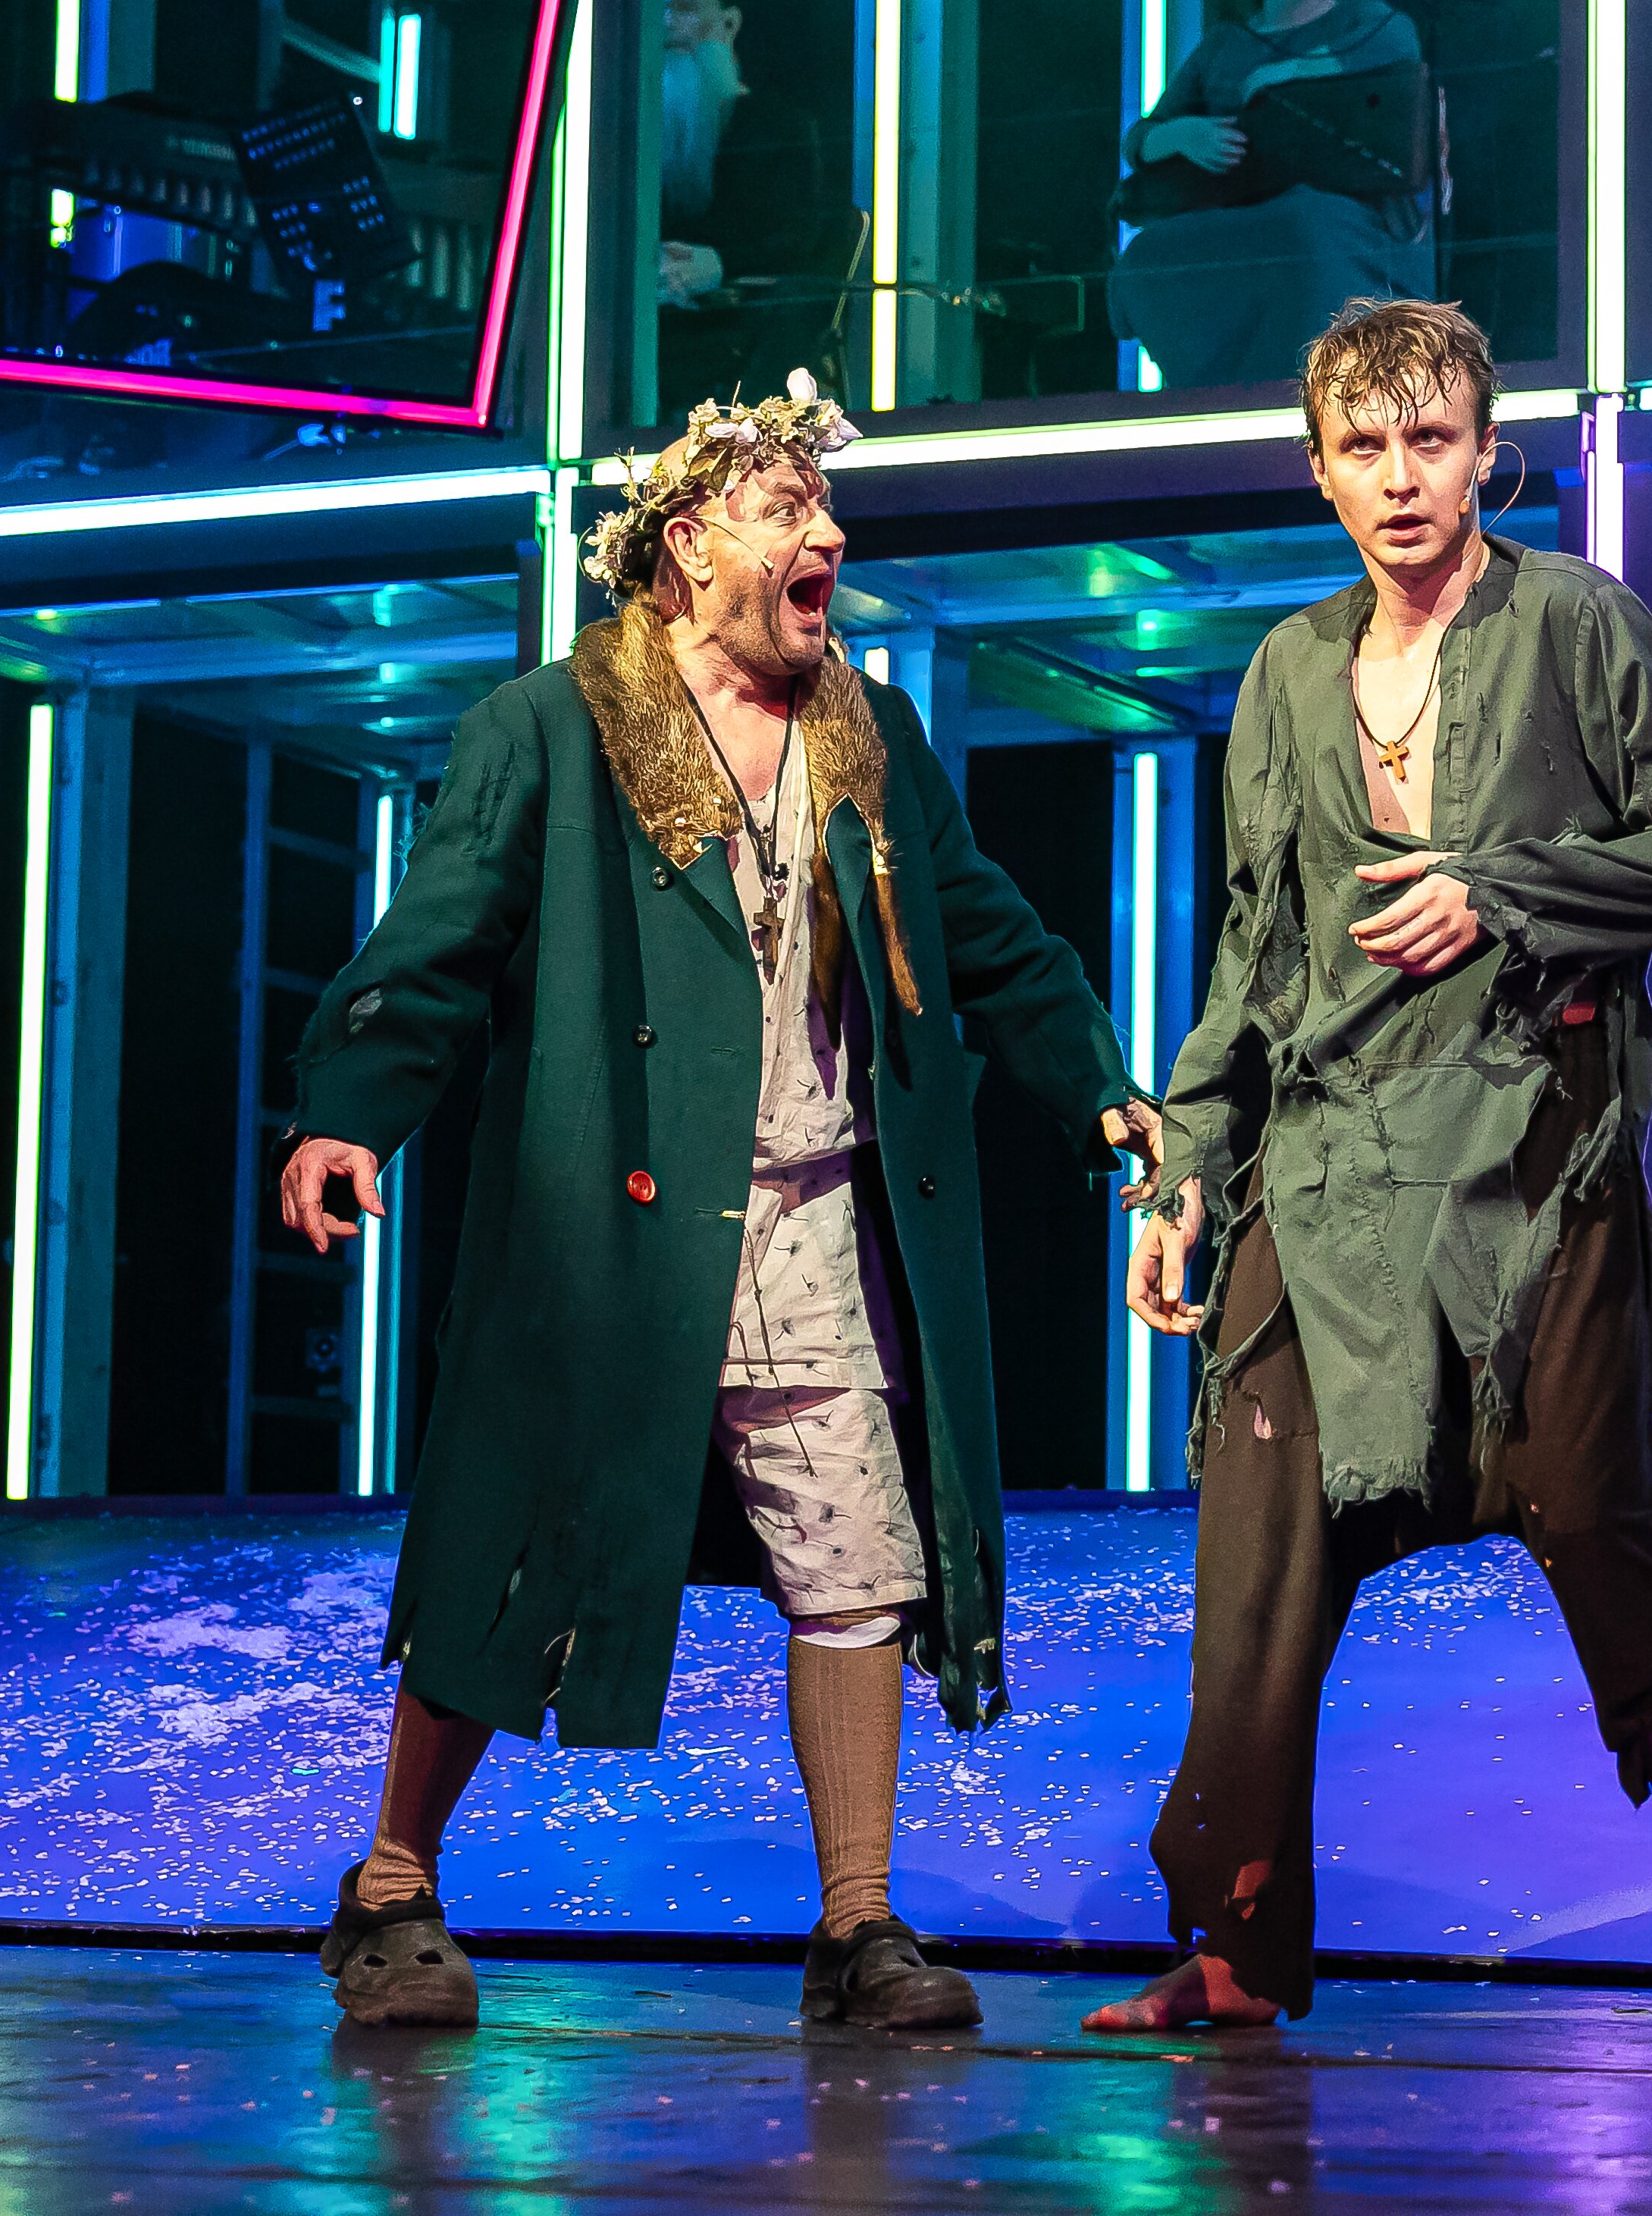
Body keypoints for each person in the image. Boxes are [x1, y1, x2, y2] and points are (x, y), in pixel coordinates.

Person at [284, 374, 1155, 2032]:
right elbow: (440, 936)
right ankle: (390, 1887)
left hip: (820, 1221)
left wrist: (1098, 1081)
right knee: (514, 1548)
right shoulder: (555, 725)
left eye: (829, 509)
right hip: (606, 1236)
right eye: (786, 511)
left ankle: (858, 1928)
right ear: (689, 544)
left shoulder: (866, 735)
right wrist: (350, 1111)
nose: (828, 536)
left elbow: (986, 934)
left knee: (860, 1562)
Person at [1087, 299, 1652, 2068]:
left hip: (1524, 1172)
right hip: (1319, 1176)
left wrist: (1501, 889)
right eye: (1363, 446)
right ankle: (1235, 1954)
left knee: (1591, 1533)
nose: (1399, 477)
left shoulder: (1573, 621)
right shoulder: (1284, 670)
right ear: (1317, 468)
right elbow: (1253, 960)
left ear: (1486, 451)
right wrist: (1186, 1164)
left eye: (1429, 440)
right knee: (1251, 1571)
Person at [1109, 0, 1433, 390]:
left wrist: (1294, 69)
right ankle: (1210, 394)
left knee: (1303, 225)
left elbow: (1401, 50)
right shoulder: (1224, 44)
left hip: (1343, 219)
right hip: (1237, 216)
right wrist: (1183, 134)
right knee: (1150, 253)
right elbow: (1140, 140)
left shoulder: (1367, 19)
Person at [659, 0, 849, 421]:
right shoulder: (628, 142)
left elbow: (796, 239)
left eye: (684, 9)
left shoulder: (780, 124)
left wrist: (717, 264)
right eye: (656, 13)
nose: (666, 25)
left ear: (729, 23)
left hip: (744, 327)